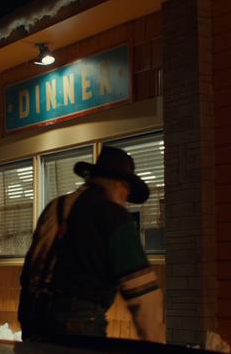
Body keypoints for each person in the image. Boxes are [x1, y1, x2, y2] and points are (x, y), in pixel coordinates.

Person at [18, 146, 165, 342]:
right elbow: (142, 290)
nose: (125, 201)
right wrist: (155, 345)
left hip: (35, 321)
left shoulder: (56, 207)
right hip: (80, 325)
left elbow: (32, 269)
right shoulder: (114, 216)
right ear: (119, 184)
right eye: (126, 192)